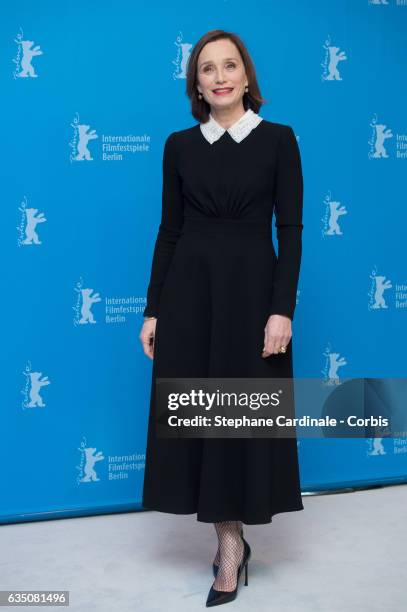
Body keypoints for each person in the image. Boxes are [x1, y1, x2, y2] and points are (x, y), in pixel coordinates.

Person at [139, 29, 304, 607]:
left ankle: (235, 541)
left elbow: (291, 231)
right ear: (197, 85)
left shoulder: (279, 140)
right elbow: (169, 230)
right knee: (205, 419)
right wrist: (153, 308)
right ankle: (228, 547)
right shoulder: (179, 146)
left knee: (243, 418)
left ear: (247, 75)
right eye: (207, 69)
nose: (219, 76)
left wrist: (281, 308)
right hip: (190, 297)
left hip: (255, 294)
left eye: (229, 65)